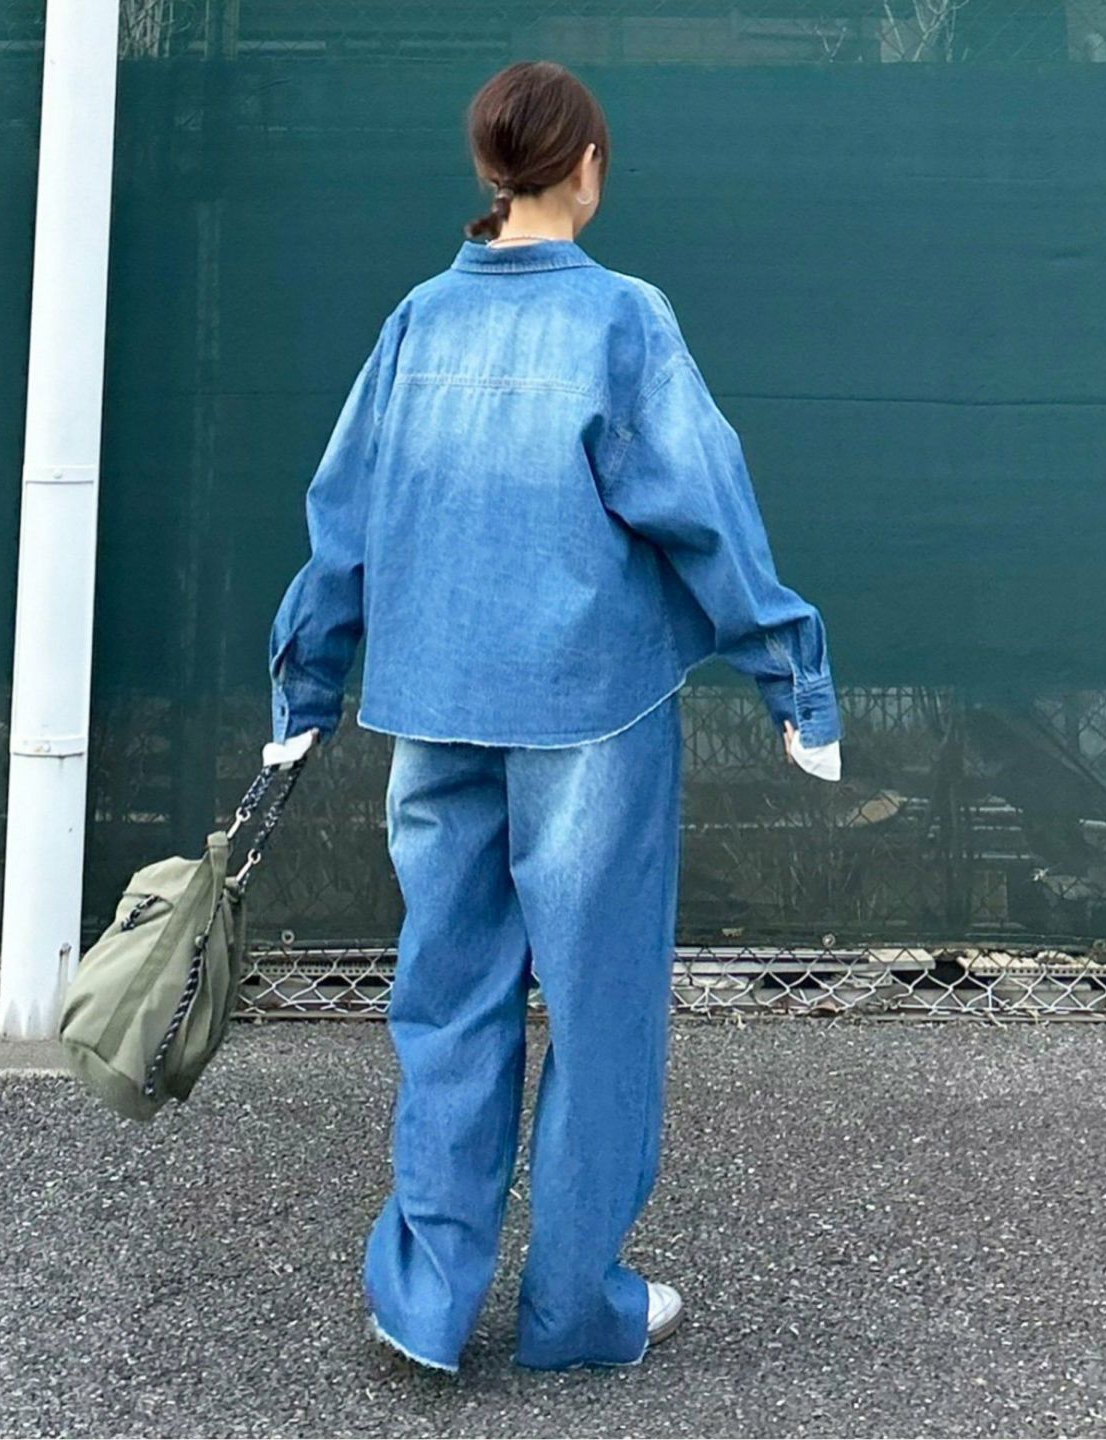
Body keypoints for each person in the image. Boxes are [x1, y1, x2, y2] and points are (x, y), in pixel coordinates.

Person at [263, 59, 843, 1374]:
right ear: (586, 165)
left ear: (491, 170)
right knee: (597, 1011)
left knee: (447, 1000)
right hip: (591, 707)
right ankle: (576, 1312)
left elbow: (346, 509)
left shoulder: (418, 319)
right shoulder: (622, 317)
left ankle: (425, 1303)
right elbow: (701, 499)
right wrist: (792, 674)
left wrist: (307, 681)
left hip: (433, 706)